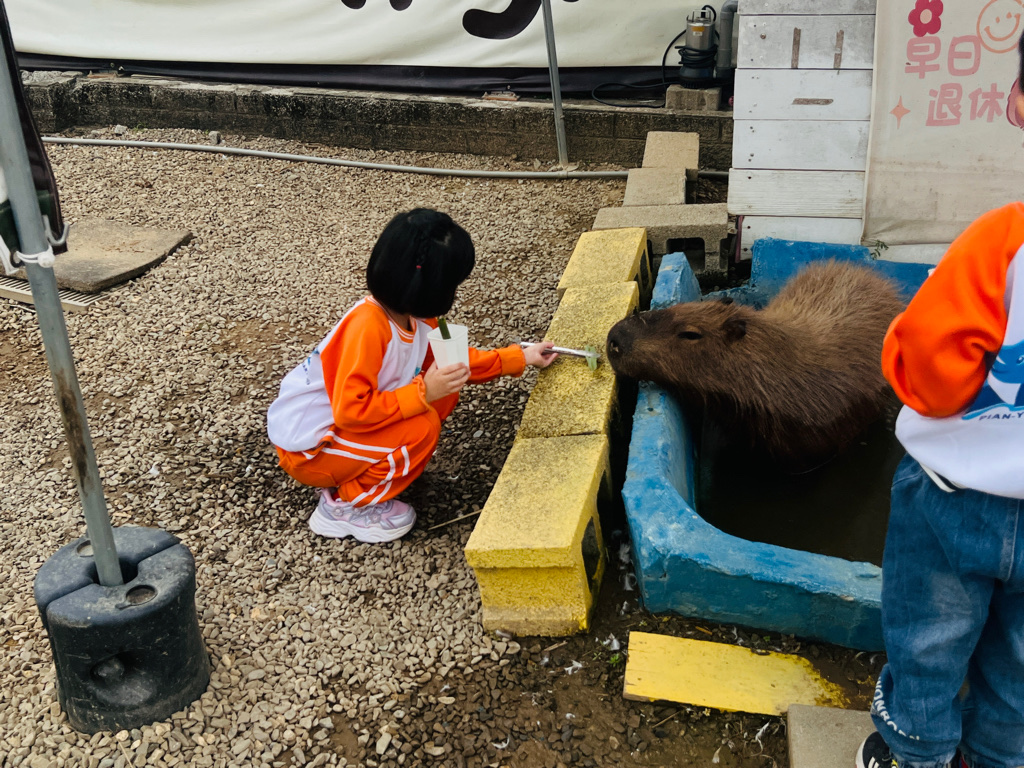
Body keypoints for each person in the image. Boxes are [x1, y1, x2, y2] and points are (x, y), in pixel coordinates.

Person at [266, 208, 557, 543]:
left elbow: (455, 362)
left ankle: (378, 466)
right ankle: (347, 504)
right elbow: (350, 410)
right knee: (423, 426)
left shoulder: (416, 317)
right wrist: (422, 393)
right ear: (431, 288)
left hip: (338, 431)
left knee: (445, 387)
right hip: (310, 450)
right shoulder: (367, 327)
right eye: (452, 285)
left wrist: (520, 356)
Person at [856, 203, 1024, 768]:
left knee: (928, 637)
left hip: (953, 495)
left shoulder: (1006, 236)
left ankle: (918, 754)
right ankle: (1000, 757)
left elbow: (930, 377)